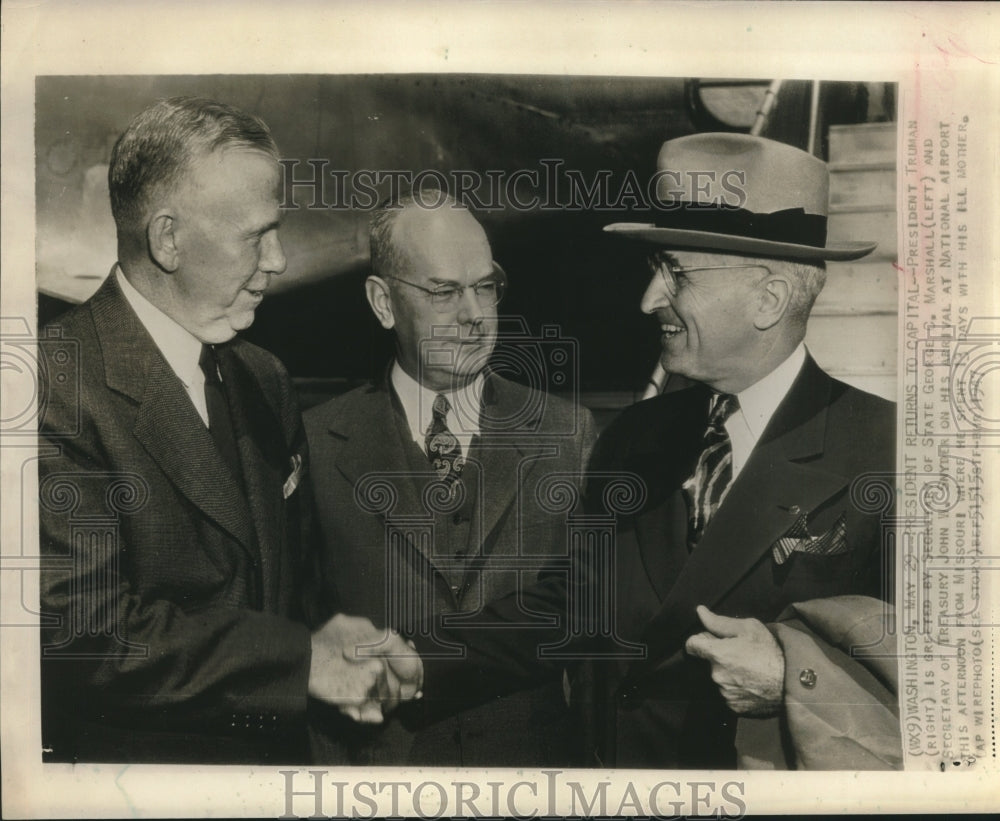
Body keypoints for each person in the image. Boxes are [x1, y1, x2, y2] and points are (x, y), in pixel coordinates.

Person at [413, 132, 896, 769]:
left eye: (677, 273)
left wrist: (795, 680)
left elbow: (958, 682)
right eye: (653, 270)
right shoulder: (635, 438)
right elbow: (572, 606)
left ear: (769, 299)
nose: (649, 300)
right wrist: (411, 661)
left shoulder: (889, 455)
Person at [37, 97, 418, 765]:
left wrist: (329, 638)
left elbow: (272, 588)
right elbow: (84, 637)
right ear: (168, 239)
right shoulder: (49, 386)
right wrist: (299, 661)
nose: (277, 260)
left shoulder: (262, 377)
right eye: (256, 235)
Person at [304, 191, 597, 765]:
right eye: (444, 291)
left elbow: (585, 613)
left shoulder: (568, 432)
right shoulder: (315, 441)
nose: (473, 314)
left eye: (485, 287)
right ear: (383, 303)